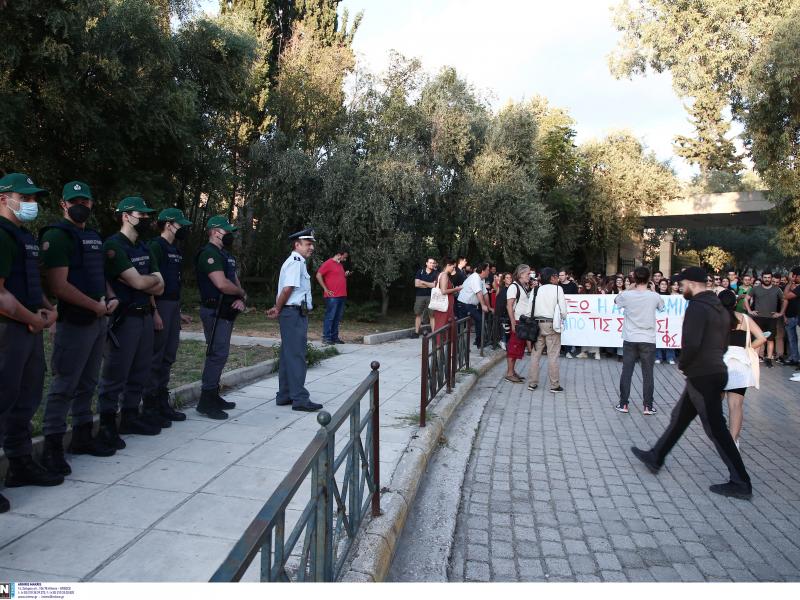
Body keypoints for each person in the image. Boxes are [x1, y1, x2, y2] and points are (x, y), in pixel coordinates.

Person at [631, 266, 753, 500]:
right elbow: (725, 343)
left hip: (702, 374)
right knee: (679, 417)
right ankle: (656, 456)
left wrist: (683, 365)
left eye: (683, 283)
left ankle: (741, 482)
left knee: (716, 429)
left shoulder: (698, 306)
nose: (680, 287)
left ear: (694, 284)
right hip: (715, 370)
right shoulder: (719, 307)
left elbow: (691, 343)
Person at [39, 181, 118, 476]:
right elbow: (59, 285)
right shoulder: (58, 236)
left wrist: (110, 297)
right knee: (64, 385)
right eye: (75, 201)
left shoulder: (93, 237)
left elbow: (98, 275)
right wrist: (94, 306)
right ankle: (52, 446)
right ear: (63, 204)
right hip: (75, 320)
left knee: (88, 382)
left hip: (98, 319)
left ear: (92, 203)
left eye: (85, 201)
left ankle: (83, 435)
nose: (80, 206)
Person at [0, 173, 61, 512]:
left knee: (26, 397)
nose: (30, 204)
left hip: (28, 326)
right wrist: (32, 319)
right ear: (3, 199)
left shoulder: (23, 236)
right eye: (23, 198)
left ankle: (20, 463)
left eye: (33, 198)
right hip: (9, 329)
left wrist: (49, 312)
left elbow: (30, 284)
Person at [96, 197, 165, 447]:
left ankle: (129, 416)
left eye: (147, 216)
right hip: (124, 318)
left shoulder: (144, 248)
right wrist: (144, 281)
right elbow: (141, 283)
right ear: (126, 216)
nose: (146, 220)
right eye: (141, 215)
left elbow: (160, 286)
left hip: (145, 314)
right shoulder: (114, 246)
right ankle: (106, 424)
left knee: (140, 370)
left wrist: (140, 281)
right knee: (116, 372)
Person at [144, 208, 192, 424]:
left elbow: (174, 282)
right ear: (169, 224)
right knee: (157, 356)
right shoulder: (156, 246)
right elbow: (151, 281)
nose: (183, 228)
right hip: (160, 304)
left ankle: (162, 400)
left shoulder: (175, 248)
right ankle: (150, 405)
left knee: (169, 355)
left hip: (172, 304)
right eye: (180, 224)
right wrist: (154, 311)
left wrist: (178, 311)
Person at [195, 215, 246, 419]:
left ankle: (213, 394)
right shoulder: (208, 254)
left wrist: (242, 298)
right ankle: (206, 400)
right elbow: (222, 284)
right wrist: (240, 294)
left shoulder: (225, 255)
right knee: (216, 354)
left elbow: (234, 281)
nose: (231, 235)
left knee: (221, 354)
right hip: (214, 311)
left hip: (227, 310)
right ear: (215, 232)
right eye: (227, 231)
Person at [266, 228, 322, 412]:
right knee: (297, 355)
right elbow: (288, 289)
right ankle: (299, 398)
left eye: (312, 244)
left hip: (293, 312)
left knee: (288, 355)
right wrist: (278, 308)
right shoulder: (296, 262)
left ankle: (285, 394)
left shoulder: (297, 262)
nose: (311, 247)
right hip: (293, 313)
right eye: (307, 244)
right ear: (296, 245)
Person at [719, 289, 766, 450]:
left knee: (715, 403)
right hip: (740, 364)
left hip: (719, 363)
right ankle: (734, 441)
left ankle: (719, 434)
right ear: (734, 303)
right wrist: (748, 348)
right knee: (736, 405)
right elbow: (762, 337)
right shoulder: (745, 318)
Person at [614, 267, 664, 415]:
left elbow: (616, 300)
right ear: (649, 279)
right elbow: (662, 306)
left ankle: (623, 404)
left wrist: (629, 287)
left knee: (627, 371)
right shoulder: (653, 296)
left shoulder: (628, 295)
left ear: (634, 278)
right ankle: (648, 406)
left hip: (630, 338)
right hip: (648, 339)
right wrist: (654, 291)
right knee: (648, 373)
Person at [527, 267, 567, 393]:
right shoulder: (557, 289)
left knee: (535, 355)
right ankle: (554, 385)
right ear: (551, 278)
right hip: (551, 325)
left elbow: (529, 311)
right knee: (553, 355)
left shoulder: (536, 290)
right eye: (556, 276)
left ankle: (532, 383)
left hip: (536, 325)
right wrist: (563, 317)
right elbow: (563, 311)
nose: (557, 278)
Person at [745, 270, 785, 367]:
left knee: (770, 339)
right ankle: (756, 358)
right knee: (758, 338)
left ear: (771, 278)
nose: (767, 279)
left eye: (769, 277)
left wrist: (780, 313)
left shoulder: (777, 289)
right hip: (758, 318)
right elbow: (746, 298)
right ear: (762, 278)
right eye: (765, 277)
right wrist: (750, 311)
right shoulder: (755, 288)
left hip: (771, 318)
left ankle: (769, 359)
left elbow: (784, 300)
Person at [504, 265, 533, 383]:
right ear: (521, 274)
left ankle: (512, 371)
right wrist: (512, 322)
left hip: (521, 321)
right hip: (517, 321)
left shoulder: (522, 287)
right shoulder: (514, 287)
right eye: (528, 274)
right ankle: (509, 373)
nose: (529, 276)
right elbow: (509, 305)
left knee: (518, 346)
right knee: (514, 346)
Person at [316, 248, 350, 345]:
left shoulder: (339, 265)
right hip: (332, 296)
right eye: (344, 257)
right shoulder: (328, 263)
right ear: (339, 254)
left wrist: (345, 275)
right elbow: (318, 275)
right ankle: (326, 338)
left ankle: (334, 338)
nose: (345, 259)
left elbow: (337, 277)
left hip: (342, 295)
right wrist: (325, 289)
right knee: (330, 317)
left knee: (337, 317)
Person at [456, 262, 491, 347]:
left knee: (478, 320)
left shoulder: (481, 279)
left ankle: (479, 342)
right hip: (464, 304)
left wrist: (489, 307)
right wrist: (483, 305)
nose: (489, 272)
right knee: (463, 325)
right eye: (487, 270)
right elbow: (479, 292)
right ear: (483, 271)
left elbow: (485, 294)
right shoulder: (475, 278)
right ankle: (457, 345)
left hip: (470, 305)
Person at [430, 258, 460, 336]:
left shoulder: (441, 274)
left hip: (444, 305)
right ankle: (439, 345)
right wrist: (456, 289)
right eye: (453, 267)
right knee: (442, 325)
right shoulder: (444, 275)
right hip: (444, 306)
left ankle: (440, 345)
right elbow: (443, 291)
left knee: (443, 325)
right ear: (448, 265)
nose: (453, 269)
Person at [575, 277, 601, 360]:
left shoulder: (598, 292)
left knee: (595, 335)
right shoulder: (582, 292)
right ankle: (584, 352)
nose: (587, 284)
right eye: (586, 283)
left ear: (593, 284)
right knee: (584, 334)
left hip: (594, 317)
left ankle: (596, 352)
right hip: (585, 317)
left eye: (589, 283)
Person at [413, 258, 438, 337]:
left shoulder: (436, 273)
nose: (432, 264)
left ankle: (433, 334)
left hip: (432, 296)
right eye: (430, 263)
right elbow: (416, 284)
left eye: (433, 263)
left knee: (432, 315)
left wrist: (423, 282)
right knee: (418, 314)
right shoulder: (420, 271)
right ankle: (416, 333)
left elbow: (434, 285)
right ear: (426, 263)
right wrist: (429, 284)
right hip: (420, 296)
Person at [654, 278, 676, 365]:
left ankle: (670, 357)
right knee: (658, 337)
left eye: (665, 284)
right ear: (659, 285)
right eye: (662, 284)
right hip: (657, 320)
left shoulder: (671, 296)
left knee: (670, 337)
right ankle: (658, 357)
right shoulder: (655, 295)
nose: (664, 286)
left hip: (669, 320)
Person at [783, 267, 800, 367]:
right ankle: (795, 359)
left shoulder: (798, 288)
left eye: (794, 276)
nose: (794, 278)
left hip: (797, 317)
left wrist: (790, 282)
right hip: (791, 316)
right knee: (792, 340)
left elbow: (786, 296)